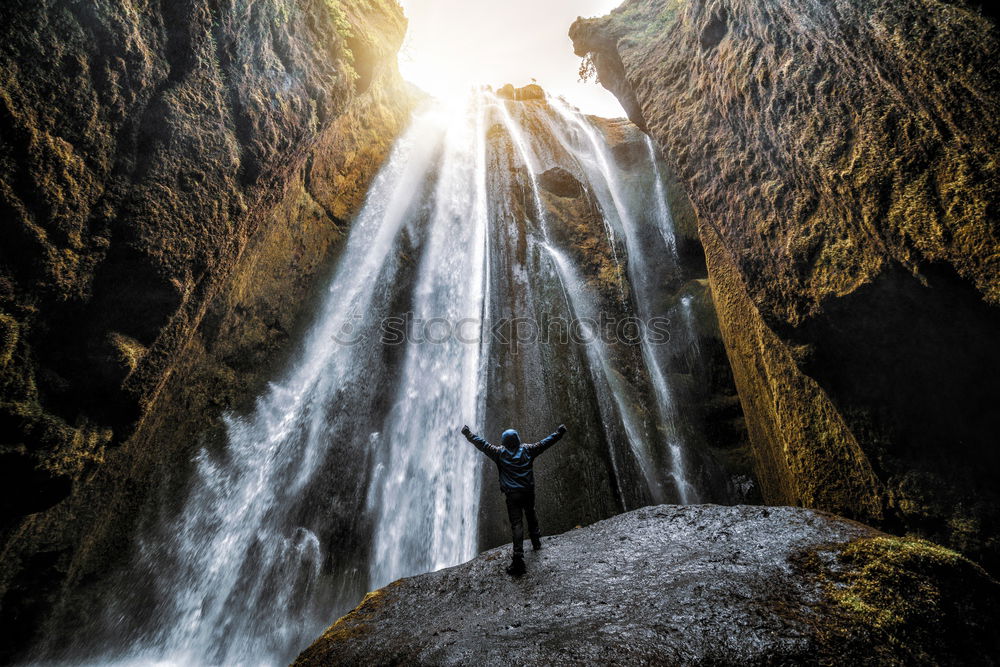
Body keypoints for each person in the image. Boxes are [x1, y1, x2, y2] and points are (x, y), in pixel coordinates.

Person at [460, 423, 568, 576]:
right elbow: (546, 443)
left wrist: (468, 434)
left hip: (512, 494)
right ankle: (536, 541)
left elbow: (482, 445)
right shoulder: (528, 450)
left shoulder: (499, 453)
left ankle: (518, 559)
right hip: (528, 491)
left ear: (504, 442)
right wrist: (559, 433)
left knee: (516, 524)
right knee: (531, 513)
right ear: (517, 440)